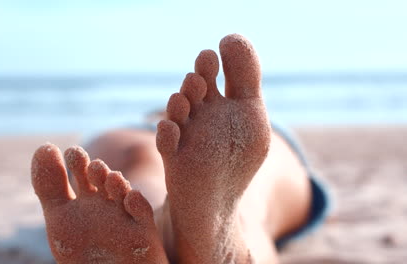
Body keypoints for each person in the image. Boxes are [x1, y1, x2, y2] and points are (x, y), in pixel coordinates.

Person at [31, 33, 329, 264]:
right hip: (267, 134)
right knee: (250, 202)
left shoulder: (143, 126)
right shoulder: (227, 120)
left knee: (136, 165)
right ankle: (219, 240)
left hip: (133, 132)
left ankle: (159, 228)